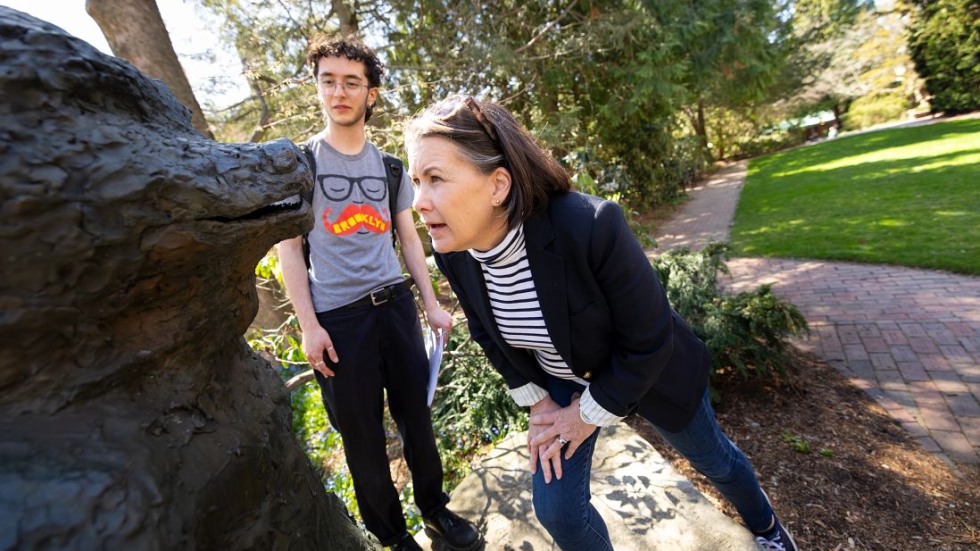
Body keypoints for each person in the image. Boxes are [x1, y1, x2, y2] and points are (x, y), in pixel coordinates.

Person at [403, 95, 799, 551]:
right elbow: (485, 333)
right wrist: (537, 402)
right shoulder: (454, 252)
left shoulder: (590, 225)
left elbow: (650, 341)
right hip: (561, 384)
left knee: (716, 462)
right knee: (559, 512)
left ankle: (768, 528)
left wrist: (586, 416)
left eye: (435, 179)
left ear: (497, 185)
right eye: (415, 181)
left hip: (652, 374)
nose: (417, 201)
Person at [277, 38, 481, 551]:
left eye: (351, 82)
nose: (338, 92)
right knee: (363, 441)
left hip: (395, 307)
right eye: (329, 81)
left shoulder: (391, 168)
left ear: (370, 94)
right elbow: (289, 252)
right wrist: (309, 326)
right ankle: (394, 538)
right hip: (339, 322)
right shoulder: (301, 165)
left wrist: (431, 304)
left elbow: (409, 238)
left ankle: (435, 511)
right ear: (318, 87)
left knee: (417, 417)